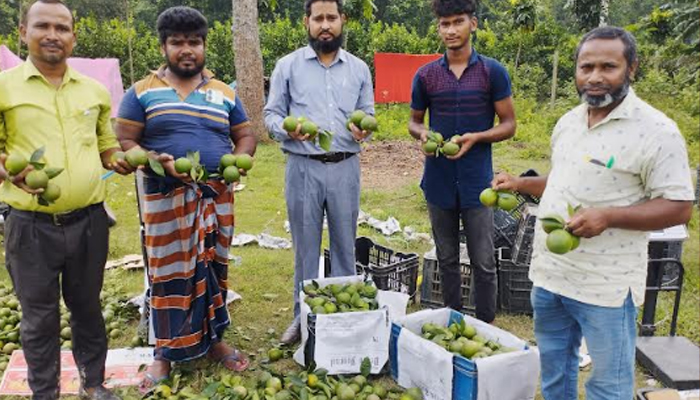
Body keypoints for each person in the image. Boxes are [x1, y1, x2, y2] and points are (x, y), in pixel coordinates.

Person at [493, 27, 694, 400]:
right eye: (586, 67)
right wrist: (521, 184)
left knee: (608, 384)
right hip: (551, 276)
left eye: (608, 66)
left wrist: (609, 217)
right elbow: (565, 182)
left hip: (606, 286)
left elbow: (679, 206)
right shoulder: (569, 121)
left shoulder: (657, 132)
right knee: (555, 371)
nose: (595, 76)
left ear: (631, 68)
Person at [114, 6, 257, 392]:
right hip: (165, 199)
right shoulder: (142, 91)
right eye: (177, 42)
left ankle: (214, 341)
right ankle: (164, 352)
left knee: (213, 267)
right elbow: (126, 140)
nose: (187, 49)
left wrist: (243, 158)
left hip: (215, 197)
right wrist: (152, 159)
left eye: (194, 41)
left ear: (204, 45)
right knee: (167, 274)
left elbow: (245, 135)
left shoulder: (224, 91)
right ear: (164, 46)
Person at [0, 0, 131, 398]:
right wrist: (9, 170)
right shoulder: (4, 88)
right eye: (43, 26)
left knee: (87, 308)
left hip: (89, 221)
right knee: (39, 318)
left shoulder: (92, 90)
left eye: (62, 27)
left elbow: (105, 144)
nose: (53, 35)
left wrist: (120, 159)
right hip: (30, 226)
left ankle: (94, 383)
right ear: (23, 32)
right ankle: (45, 392)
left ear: (73, 36)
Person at [263, 0, 374, 344]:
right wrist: (287, 129)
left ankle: (342, 317)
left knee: (345, 246)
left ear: (343, 21)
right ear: (307, 22)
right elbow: (270, 116)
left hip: (345, 166)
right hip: (303, 167)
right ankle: (302, 317)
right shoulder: (287, 66)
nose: (325, 25)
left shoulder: (358, 69)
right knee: (305, 248)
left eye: (331, 18)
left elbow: (367, 112)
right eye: (318, 18)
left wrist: (364, 131)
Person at [408, 0, 515, 323]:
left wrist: (477, 137)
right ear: (439, 28)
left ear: (473, 24)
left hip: (477, 182)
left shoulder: (491, 72)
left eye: (458, 22)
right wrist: (423, 135)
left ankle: (485, 324)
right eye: (445, 24)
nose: (451, 30)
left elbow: (509, 124)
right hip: (438, 180)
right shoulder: (426, 76)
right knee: (447, 258)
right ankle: (452, 322)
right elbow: (414, 121)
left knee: (483, 261)